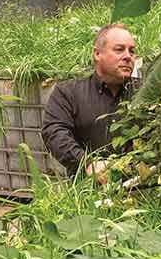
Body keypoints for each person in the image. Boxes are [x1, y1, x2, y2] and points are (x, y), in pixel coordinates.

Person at [42, 23, 138, 183]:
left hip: (144, 192)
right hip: (87, 194)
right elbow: (54, 132)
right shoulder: (68, 92)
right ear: (97, 54)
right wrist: (88, 164)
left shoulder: (145, 92)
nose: (128, 56)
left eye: (132, 51)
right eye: (119, 49)